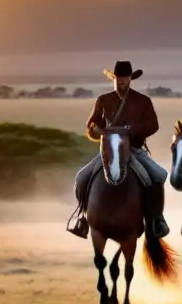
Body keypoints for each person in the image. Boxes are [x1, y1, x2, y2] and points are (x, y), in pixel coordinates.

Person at [67, 61, 169, 239]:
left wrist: (130, 130)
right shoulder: (103, 100)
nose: (121, 82)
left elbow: (153, 125)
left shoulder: (143, 101)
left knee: (158, 175)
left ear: (131, 79)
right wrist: (95, 130)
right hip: (109, 150)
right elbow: (91, 124)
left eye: (125, 78)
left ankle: (156, 219)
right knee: (82, 177)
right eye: (118, 78)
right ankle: (82, 217)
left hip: (134, 150)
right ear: (113, 79)